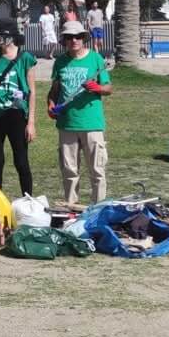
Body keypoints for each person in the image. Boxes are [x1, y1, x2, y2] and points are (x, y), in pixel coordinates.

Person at [50, 27, 112, 205]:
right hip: (67, 124)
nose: (74, 40)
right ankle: (71, 208)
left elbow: (108, 88)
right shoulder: (60, 62)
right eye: (69, 37)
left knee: (97, 172)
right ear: (64, 40)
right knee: (69, 172)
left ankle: (98, 209)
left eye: (78, 37)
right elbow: (54, 91)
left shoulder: (96, 59)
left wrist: (98, 88)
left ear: (83, 38)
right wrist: (51, 105)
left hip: (92, 124)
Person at [0, 24, 38, 196]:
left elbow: (32, 91)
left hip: (17, 115)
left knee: (21, 161)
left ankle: (28, 200)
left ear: (11, 37)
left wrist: (31, 122)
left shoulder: (25, 57)